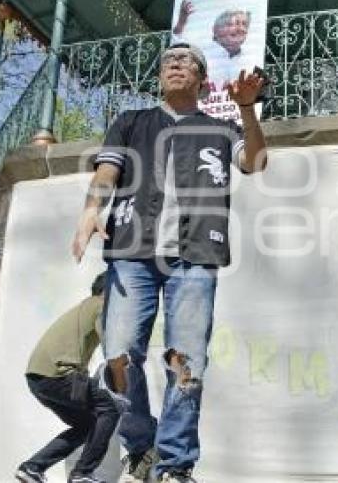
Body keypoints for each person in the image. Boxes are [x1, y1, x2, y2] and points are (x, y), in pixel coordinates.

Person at [71, 42, 268, 482]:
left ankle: (176, 465)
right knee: (118, 357)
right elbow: (106, 172)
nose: (176, 66)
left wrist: (249, 111)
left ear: (202, 79)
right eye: (168, 62)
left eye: (187, 62)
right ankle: (141, 446)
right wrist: (90, 210)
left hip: (195, 256)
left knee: (187, 361)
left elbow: (255, 161)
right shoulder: (131, 121)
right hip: (131, 252)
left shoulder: (220, 128)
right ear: (160, 77)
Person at [15, 272, 118, 483]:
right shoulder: (100, 305)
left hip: (38, 378)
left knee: (86, 425)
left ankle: (32, 468)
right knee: (110, 407)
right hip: (57, 376)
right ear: (109, 291)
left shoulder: (84, 308)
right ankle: (82, 473)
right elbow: (112, 344)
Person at [173, 2, 252, 91]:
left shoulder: (251, 59)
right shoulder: (201, 50)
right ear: (215, 29)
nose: (240, 29)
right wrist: (180, 24)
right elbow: (177, 45)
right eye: (232, 24)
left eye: (244, 24)